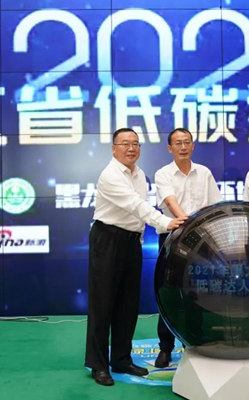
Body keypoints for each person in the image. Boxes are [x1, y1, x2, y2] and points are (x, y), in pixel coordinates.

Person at [85, 128, 186, 386]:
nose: (131, 148)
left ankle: (121, 359)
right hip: (108, 240)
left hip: (131, 243)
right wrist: (165, 222)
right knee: (102, 305)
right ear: (114, 148)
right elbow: (136, 206)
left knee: (128, 304)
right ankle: (98, 365)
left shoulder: (139, 174)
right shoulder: (110, 175)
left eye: (135, 144)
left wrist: (139, 240)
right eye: (125, 144)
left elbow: (136, 216)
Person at [154, 127, 222, 367]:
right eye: (178, 143)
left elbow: (215, 207)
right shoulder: (163, 174)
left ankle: (192, 343)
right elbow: (171, 204)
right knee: (169, 293)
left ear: (193, 145)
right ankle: (165, 347)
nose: (183, 147)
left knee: (197, 293)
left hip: (202, 241)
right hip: (172, 238)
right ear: (169, 148)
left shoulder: (204, 173)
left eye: (187, 142)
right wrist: (190, 225)